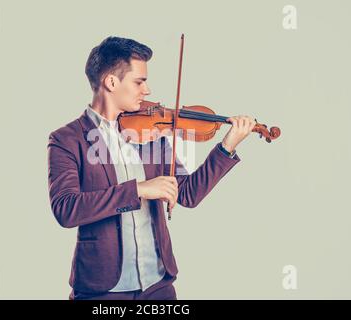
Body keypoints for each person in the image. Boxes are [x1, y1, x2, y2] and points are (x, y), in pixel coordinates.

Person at [47, 36, 256, 300]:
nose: (147, 90)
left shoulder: (151, 132)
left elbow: (188, 194)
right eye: (139, 81)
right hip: (103, 290)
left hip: (158, 285)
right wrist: (140, 190)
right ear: (111, 82)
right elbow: (67, 209)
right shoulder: (67, 139)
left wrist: (227, 146)